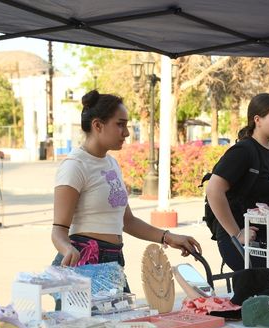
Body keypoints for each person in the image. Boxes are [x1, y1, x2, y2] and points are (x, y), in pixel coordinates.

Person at [51, 90, 201, 289]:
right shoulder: (75, 165)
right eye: (120, 124)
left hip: (113, 262)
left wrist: (168, 237)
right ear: (98, 125)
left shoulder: (111, 163)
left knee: (124, 319)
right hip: (84, 266)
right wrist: (67, 249)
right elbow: (58, 231)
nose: (127, 132)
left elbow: (127, 221)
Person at [205, 93, 269, 272]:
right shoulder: (244, 150)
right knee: (263, 292)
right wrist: (237, 234)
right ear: (257, 119)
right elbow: (213, 190)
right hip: (240, 242)